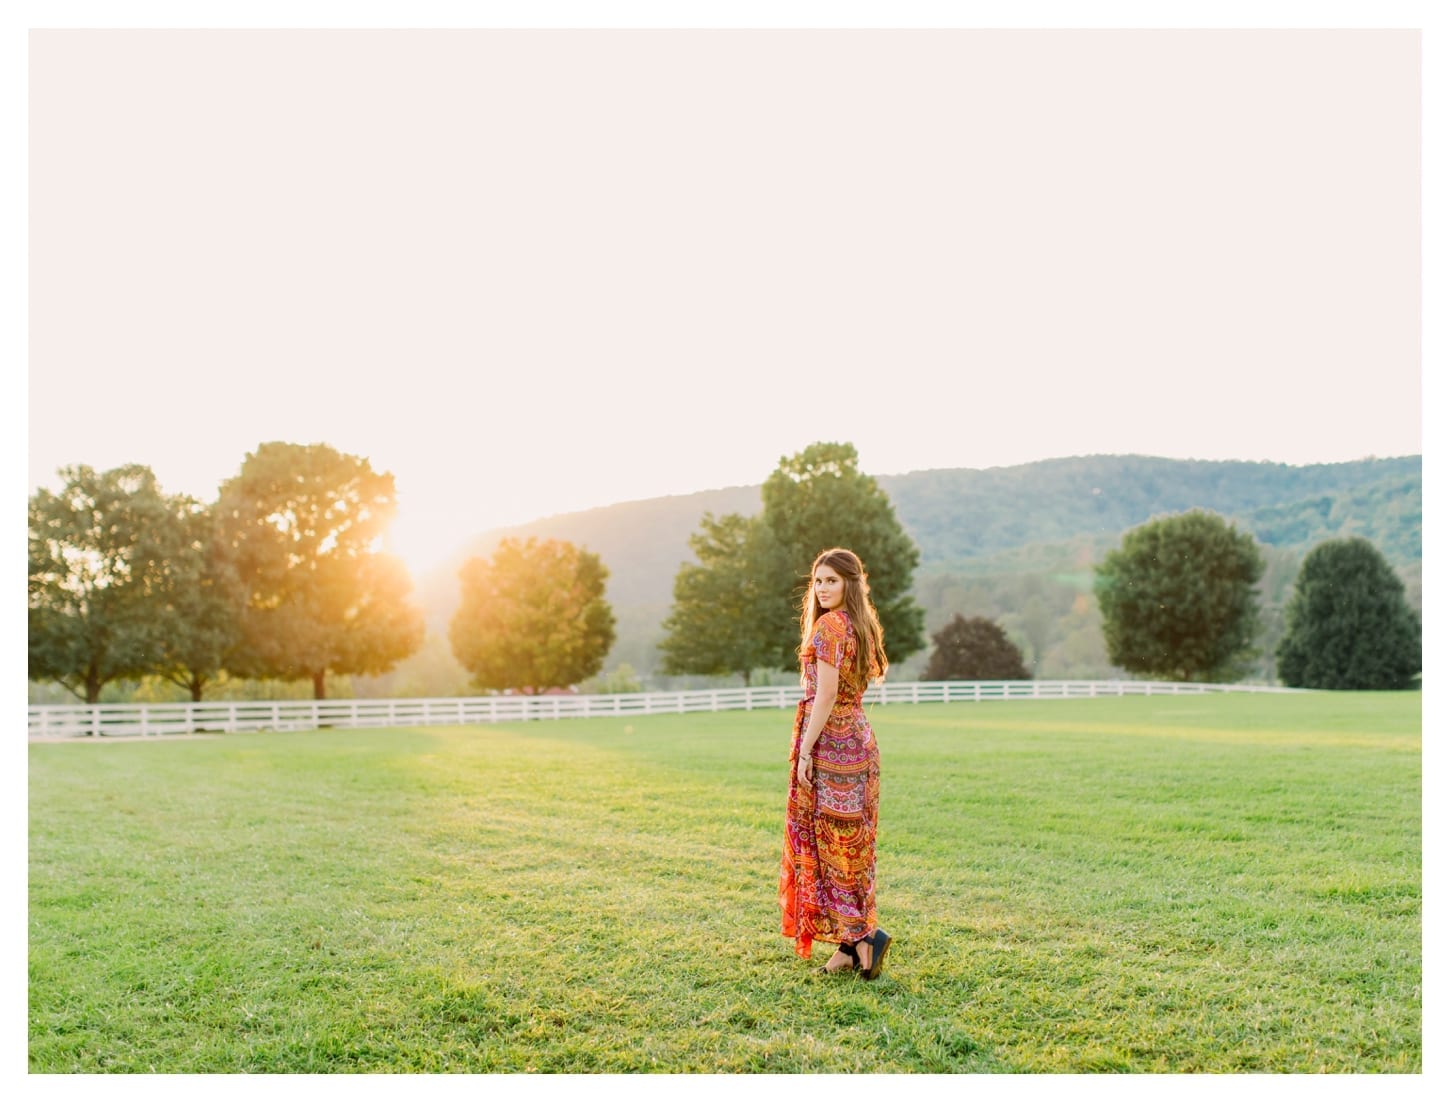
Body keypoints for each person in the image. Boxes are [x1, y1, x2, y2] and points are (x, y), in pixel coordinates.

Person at [778, 547, 892, 980]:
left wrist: (806, 750)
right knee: (851, 848)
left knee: (832, 847)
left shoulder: (828, 627)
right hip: (860, 740)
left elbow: (824, 695)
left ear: (850, 583)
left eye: (832, 580)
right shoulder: (859, 626)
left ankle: (862, 936)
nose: (823, 589)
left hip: (832, 745)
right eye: (818, 581)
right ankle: (852, 944)